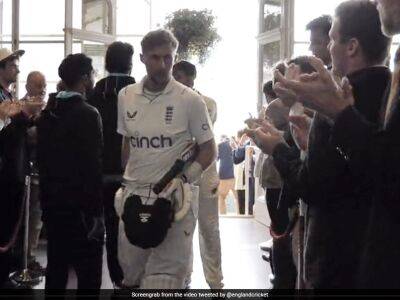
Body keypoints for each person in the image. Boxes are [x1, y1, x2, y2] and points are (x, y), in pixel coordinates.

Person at [253, 0, 391, 288]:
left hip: (338, 255)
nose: (325, 49)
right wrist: (307, 144)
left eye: (329, 40)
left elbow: (312, 186)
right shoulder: (387, 91)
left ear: (351, 46)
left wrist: (278, 147)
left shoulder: (337, 101)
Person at [116, 29, 216, 289]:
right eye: (155, 58)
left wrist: (184, 179)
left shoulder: (190, 100)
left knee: (165, 281)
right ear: (142, 58)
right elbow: (127, 142)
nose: (162, 65)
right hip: (134, 196)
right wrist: (125, 179)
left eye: (168, 58)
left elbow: (208, 149)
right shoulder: (126, 96)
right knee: (131, 277)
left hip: (175, 200)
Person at [37, 53, 104, 293]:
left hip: (53, 206)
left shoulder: (46, 115)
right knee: (89, 276)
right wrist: (96, 212)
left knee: (56, 270)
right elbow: (92, 167)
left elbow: (42, 162)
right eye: (92, 74)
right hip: (81, 210)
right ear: (85, 78)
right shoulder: (88, 113)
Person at [89, 41, 136, 288]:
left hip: (101, 171)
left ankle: (116, 277)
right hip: (134, 173)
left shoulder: (95, 92)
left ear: (107, 63)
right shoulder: (139, 91)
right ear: (130, 63)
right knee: (133, 225)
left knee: (109, 225)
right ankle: (133, 277)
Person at [173, 60, 223, 289]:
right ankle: (185, 279)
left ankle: (215, 282)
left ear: (191, 79)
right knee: (182, 228)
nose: (173, 80)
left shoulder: (207, 103)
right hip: (180, 177)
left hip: (205, 175)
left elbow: (195, 139)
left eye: (178, 76)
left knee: (209, 228)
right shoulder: (170, 103)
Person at [0, 48, 43, 288]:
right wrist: (22, 116)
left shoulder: (9, 95)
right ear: (3, 67)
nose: (18, 69)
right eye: (14, 65)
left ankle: (9, 270)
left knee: (11, 222)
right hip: (5, 170)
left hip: (15, 169)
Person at [21, 71, 47, 277]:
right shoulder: (18, 109)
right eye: (38, 86)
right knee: (24, 217)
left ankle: (29, 256)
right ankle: (21, 258)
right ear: (28, 87)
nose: (43, 90)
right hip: (21, 173)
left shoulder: (46, 110)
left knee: (36, 218)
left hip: (40, 170)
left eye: (44, 85)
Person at [217, 135, 238, 214]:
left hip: (223, 174)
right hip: (232, 174)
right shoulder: (231, 144)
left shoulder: (219, 145)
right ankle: (240, 214)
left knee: (221, 197)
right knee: (237, 198)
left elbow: (216, 158)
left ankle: (223, 215)